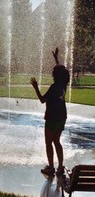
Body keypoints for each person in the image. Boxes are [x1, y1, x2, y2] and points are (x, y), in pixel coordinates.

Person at [30, 48, 70, 176]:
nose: (52, 73)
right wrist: (56, 58)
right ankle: (60, 167)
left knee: (48, 142)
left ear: (56, 76)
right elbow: (61, 70)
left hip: (52, 118)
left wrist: (36, 87)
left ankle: (51, 168)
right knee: (57, 141)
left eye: (53, 72)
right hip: (62, 118)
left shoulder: (54, 87)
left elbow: (42, 100)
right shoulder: (64, 84)